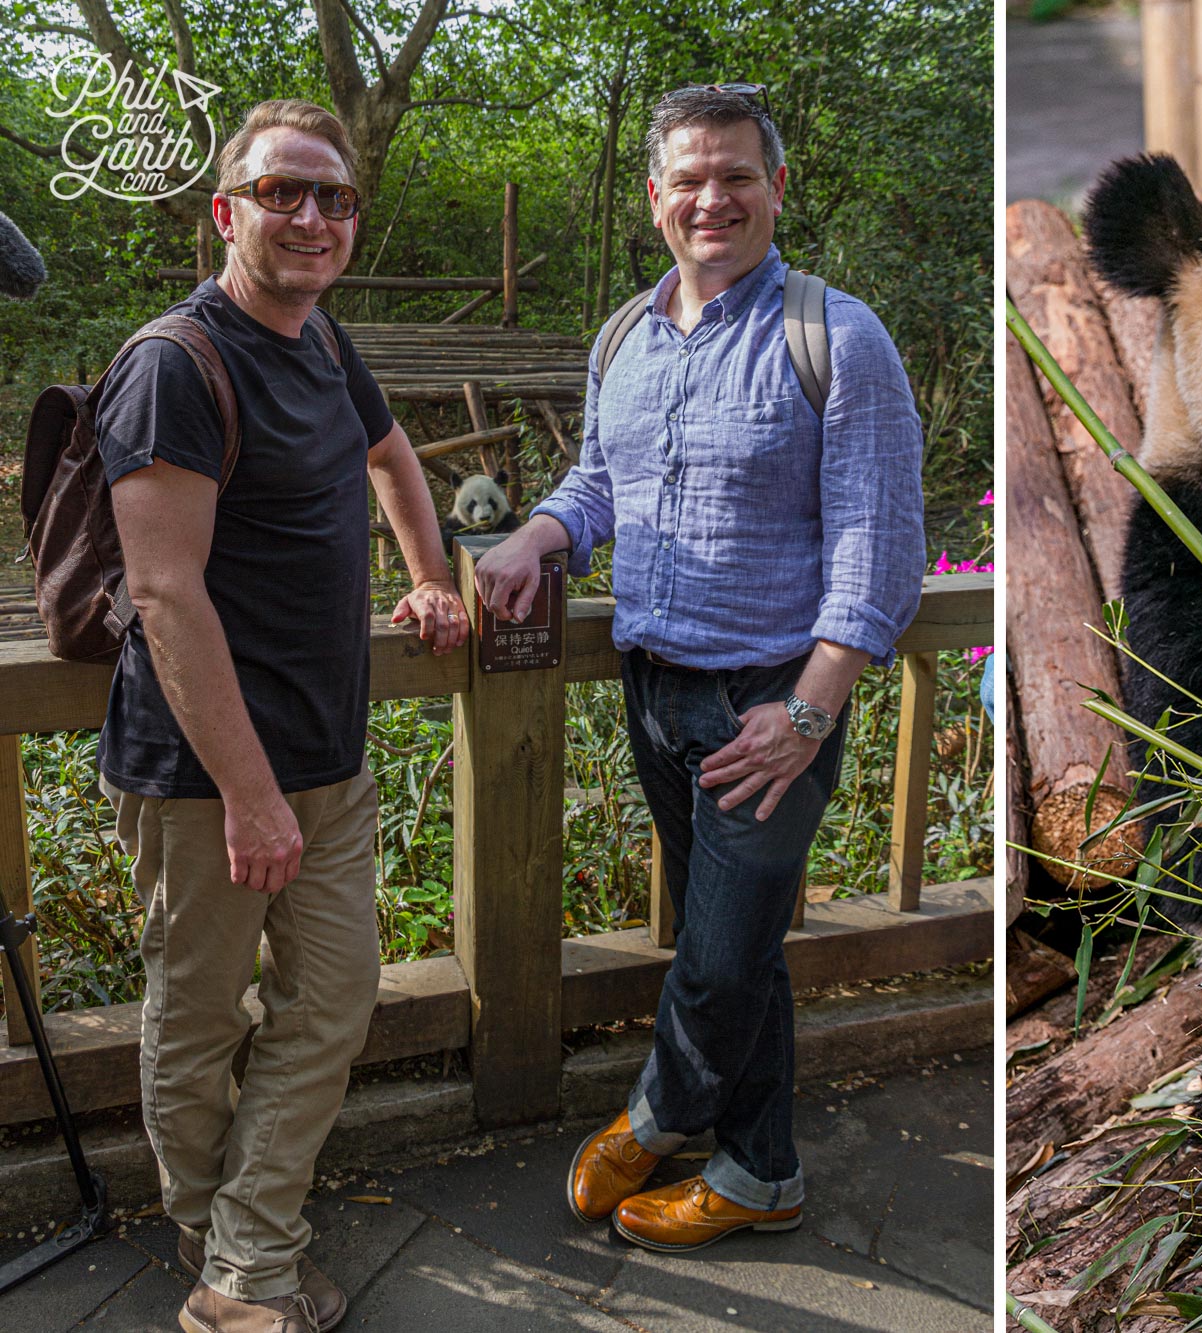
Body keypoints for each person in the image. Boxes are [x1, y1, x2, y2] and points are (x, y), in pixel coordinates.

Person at [474, 83, 924, 1252]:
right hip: (654, 689)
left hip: (767, 702)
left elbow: (878, 556)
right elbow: (603, 483)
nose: (710, 197)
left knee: (719, 963)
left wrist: (807, 716)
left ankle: (661, 1115)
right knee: (744, 942)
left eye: (735, 175)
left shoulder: (835, 336)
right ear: (655, 196)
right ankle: (761, 1173)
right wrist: (537, 531)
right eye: (688, 178)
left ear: (776, 187)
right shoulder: (623, 335)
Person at [94, 99, 467, 1333]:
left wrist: (427, 573)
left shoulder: (319, 338)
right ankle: (234, 1261)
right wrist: (249, 794)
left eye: (334, 197)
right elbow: (163, 589)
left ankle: (243, 1252)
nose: (310, 215)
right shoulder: (173, 361)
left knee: (333, 999)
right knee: (198, 1020)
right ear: (227, 211)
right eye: (281, 192)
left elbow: (396, 456)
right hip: (206, 775)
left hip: (328, 755)